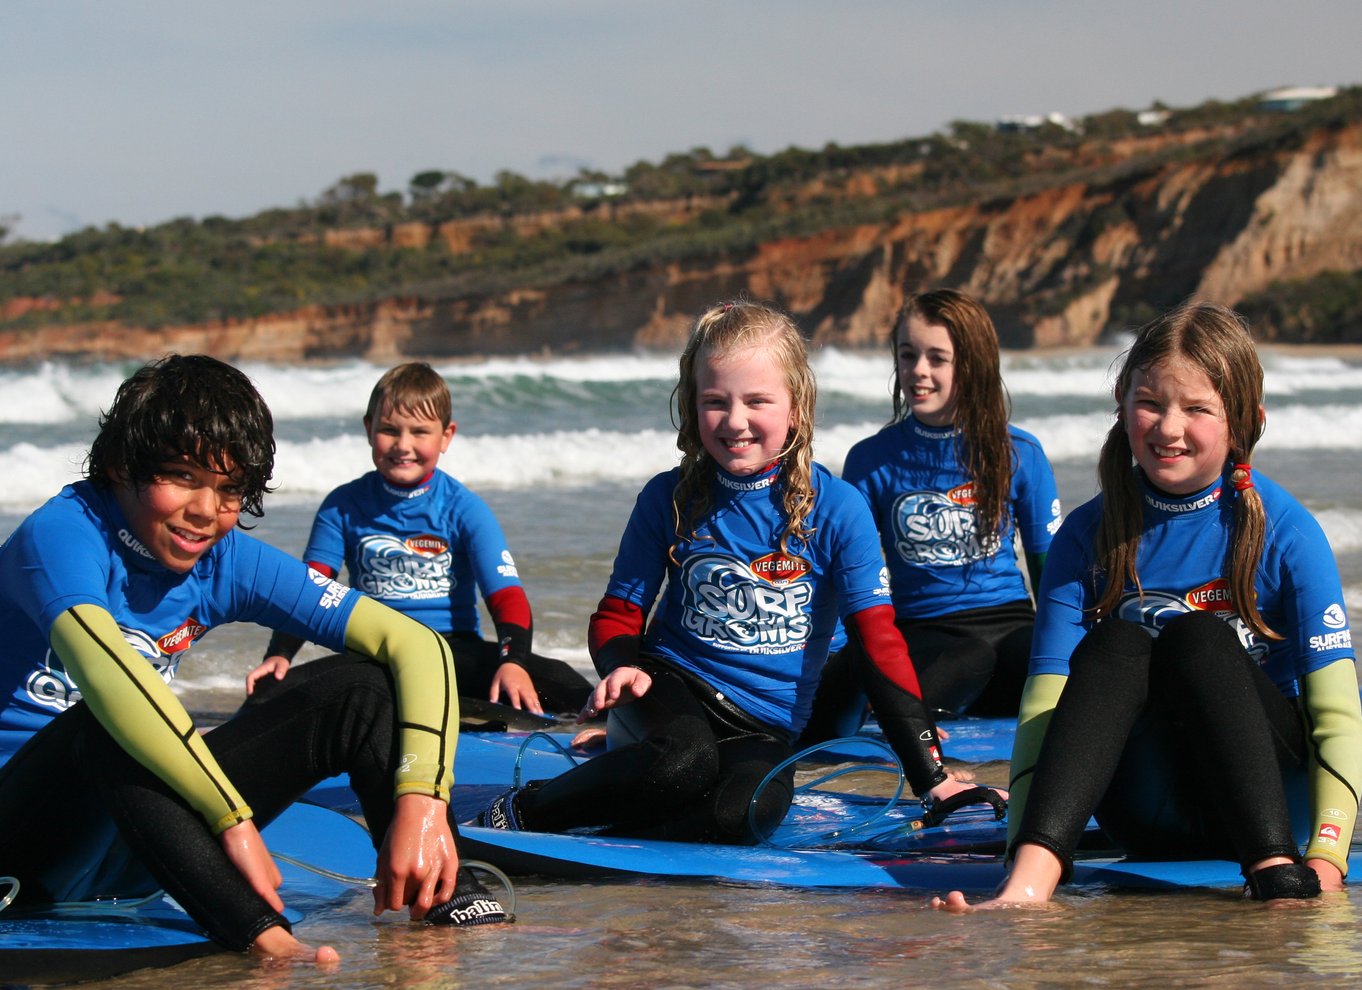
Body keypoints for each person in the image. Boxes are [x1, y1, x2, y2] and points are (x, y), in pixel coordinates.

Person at [0, 355, 507, 964]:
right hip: (23, 848)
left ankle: (451, 903)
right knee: (112, 715)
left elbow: (415, 644)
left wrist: (421, 798)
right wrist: (231, 819)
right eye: (183, 477)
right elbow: (116, 682)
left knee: (361, 689)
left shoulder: (224, 558)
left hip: (142, 851)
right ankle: (263, 937)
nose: (205, 511)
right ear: (119, 465)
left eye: (230, 488)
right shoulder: (62, 533)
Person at [476, 300, 985, 843]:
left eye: (757, 401)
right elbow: (617, 614)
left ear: (797, 404)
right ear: (691, 404)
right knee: (683, 764)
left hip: (766, 725)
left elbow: (879, 642)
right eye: (715, 402)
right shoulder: (669, 498)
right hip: (672, 688)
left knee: (744, 814)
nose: (735, 421)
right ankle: (525, 812)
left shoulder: (839, 509)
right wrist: (621, 665)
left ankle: (626, 815)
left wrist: (930, 777)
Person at [934, 301, 1361, 910]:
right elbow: (1044, 708)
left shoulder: (1286, 532)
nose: (1167, 427)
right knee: (1115, 644)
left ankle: (1276, 879)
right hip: (1140, 812)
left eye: (1196, 408)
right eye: (1150, 402)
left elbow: (1337, 714)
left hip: (1266, 811)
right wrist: (1014, 854)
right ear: (1121, 405)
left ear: (1245, 421)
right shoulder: (1087, 536)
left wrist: (1325, 857)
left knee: (1199, 638)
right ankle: (1032, 883)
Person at [247, 361, 591, 716]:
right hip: (374, 656)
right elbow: (313, 588)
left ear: (446, 436)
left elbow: (506, 595)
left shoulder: (464, 508)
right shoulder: (343, 506)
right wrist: (280, 654)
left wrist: (513, 661)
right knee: (266, 696)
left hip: (452, 652)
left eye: (419, 432)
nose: (403, 445)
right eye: (389, 430)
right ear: (368, 430)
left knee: (563, 682)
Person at [803, 289, 1059, 742]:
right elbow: (844, 571)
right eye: (908, 354)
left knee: (1048, 666)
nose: (918, 370)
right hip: (927, 630)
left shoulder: (1018, 452)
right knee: (966, 660)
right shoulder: (874, 459)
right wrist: (840, 659)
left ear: (973, 364)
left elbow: (1051, 572)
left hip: (1010, 622)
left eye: (937, 358)